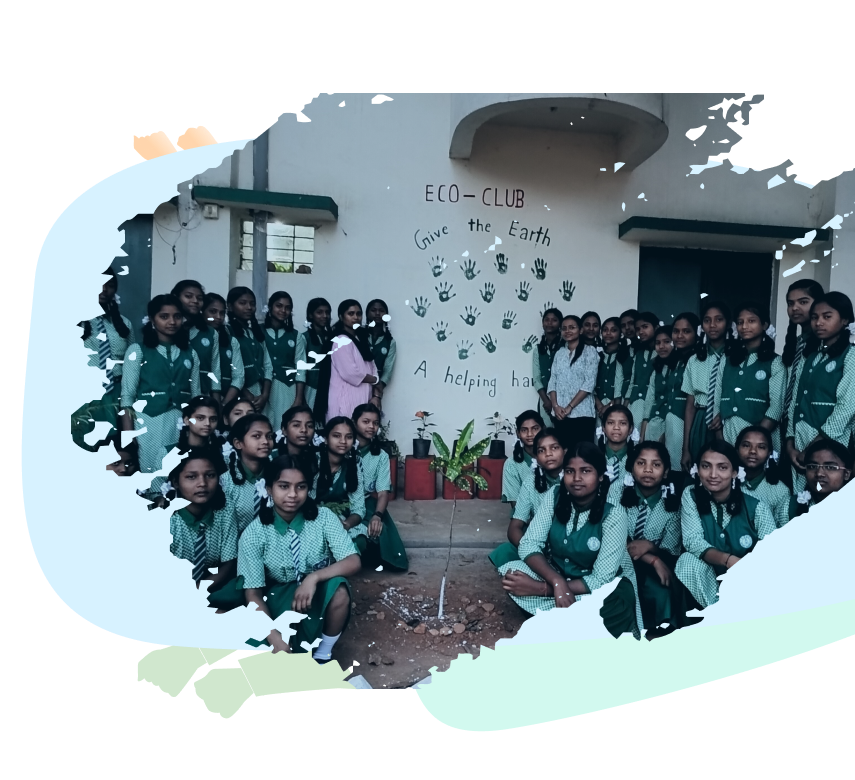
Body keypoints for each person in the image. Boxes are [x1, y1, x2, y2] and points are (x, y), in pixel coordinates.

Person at [498, 442, 643, 641]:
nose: (576, 478)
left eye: (586, 471)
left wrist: (541, 588)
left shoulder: (614, 514)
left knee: (609, 607)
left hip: (600, 589)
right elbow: (529, 543)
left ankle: (556, 623)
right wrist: (557, 581)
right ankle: (562, 622)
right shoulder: (554, 496)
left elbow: (601, 580)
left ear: (601, 476)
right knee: (513, 573)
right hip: (559, 575)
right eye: (569, 471)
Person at [237, 454, 361, 661]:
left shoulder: (324, 518)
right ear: (269, 489)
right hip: (277, 598)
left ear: (309, 489)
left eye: (301, 487)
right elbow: (253, 594)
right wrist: (274, 637)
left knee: (339, 589)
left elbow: (353, 561)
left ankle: (323, 653)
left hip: (315, 593)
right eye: (283, 486)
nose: (293, 494)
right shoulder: (254, 533)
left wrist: (313, 578)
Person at [608, 442, 698, 640]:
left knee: (661, 589)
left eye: (656, 465)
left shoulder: (672, 502)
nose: (648, 470)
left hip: (653, 568)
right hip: (617, 561)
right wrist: (652, 559)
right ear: (631, 468)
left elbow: (671, 549)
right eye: (641, 463)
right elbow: (614, 538)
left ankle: (659, 634)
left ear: (665, 472)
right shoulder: (617, 490)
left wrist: (650, 547)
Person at [675, 440, 776, 610]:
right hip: (708, 581)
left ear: (735, 472)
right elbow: (693, 541)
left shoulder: (756, 506)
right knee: (687, 561)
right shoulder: (691, 495)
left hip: (748, 581)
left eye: (722, 467)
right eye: (706, 466)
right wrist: (728, 560)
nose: (713, 474)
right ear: (698, 469)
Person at [118, 295, 201, 473]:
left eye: (177, 316)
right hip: (147, 421)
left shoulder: (191, 353)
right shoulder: (137, 350)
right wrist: (128, 433)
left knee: (178, 470)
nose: (172, 322)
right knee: (151, 471)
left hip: (181, 421)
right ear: (152, 319)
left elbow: (196, 397)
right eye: (164, 316)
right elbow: (127, 396)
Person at [786, 292, 855, 494]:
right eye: (815, 317)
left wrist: (813, 447)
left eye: (827, 316)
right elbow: (795, 400)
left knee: (828, 492)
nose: (819, 323)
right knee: (803, 496)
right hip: (800, 439)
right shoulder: (810, 356)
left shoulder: (851, 354)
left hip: (832, 440)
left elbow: (847, 406)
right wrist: (790, 443)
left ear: (844, 320)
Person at [164, 449, 241, 611]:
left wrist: (198, 591)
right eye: (191, 477)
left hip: (211, 586)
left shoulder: (225, 510)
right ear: (176, 482)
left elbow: (228, 563)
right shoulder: (166, 519)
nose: (202, 483)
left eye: (210, 475)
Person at [73, 267, 135, 453]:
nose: (104, 289)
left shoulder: (124, 323)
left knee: (112, 445)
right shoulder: (72, 320)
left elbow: (132, 363)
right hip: (83, 390)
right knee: (83, 440)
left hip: (116, 392)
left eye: (110, 285)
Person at [713, 301, 785, 452]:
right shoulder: (726, 360)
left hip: (761, 437)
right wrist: (719, 435)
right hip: (728, 433)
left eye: (751, 321)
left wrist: (755, 438)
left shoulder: (775, 362)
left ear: (764, 325)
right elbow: (717, 394)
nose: (744, 326)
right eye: (740, 322)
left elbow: (777, 405)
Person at [489, 427, 564, 569]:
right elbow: (514, 527)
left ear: (565, 450)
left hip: (570, 545)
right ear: (536, 457)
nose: (548, 454)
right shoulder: (531, 482)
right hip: (540, 544)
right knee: (505, 551)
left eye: (554, 448)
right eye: (541, 450)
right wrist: (532, 551)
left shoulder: (575, 480)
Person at [136, 396, 222, 509]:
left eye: (213, 419)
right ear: (186, 420)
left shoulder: (221, 453)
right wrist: (161, 500)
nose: (207, 423)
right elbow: (156, 488)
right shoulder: (168, 452)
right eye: (200, 418)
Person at [351, 403, 409, 571]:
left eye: (375, 423)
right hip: (341, 502)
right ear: (354, 422)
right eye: (366, 421)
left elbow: (383, 492)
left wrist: (377, 515)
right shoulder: (343, 448)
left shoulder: (380, 456)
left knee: (378, 532)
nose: (371, 426)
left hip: (366, 503)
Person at [780, 280, 824, 488]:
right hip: (790, 425)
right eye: (790, 303)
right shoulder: (797, 343)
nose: (795, 308)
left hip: (816, 426)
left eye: (803, 302)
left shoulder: (826, 346)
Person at [681, 300, 732, 472]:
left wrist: (724, 412)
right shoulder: (695, 360)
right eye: (707, 320)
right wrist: (685, 447)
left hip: (727, 421)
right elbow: (690, 404)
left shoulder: (736, 357)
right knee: (699, 469)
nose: (712, 325)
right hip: (700, 420)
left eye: (719, 319)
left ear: (728, 323)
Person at [548, 315, 599, 451]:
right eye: (564, 328)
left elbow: (589, 384)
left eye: (572, 327)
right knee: (563, 454)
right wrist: (555, 406)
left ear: (580, 330)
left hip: (582, 414)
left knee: (583, 455)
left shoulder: (590, 352)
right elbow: (552, 381)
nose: (567, 331)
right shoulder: (559, 353)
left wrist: (570, 407)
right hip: (560, 414)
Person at [325, 300, 381, 423]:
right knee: (344, 429)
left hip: (362, 398)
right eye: (351, 314)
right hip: (344, 400)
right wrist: (375, 380)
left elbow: (372, 367)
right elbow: (350, 373)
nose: (356, 317)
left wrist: (375, 392)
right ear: (341, 317)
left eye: (358, 314)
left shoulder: (361, 339)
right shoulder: (340, 340)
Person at [310, 417, 366, 536]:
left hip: (342, 521)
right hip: (313, 518)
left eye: (349, 437)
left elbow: (358, 508)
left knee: (360, 539)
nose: (343, 441)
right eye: (336, 436)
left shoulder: (353, 466)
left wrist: (346, 524)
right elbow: (306, 501)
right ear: (326, 439)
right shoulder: (313, 462)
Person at [220, 413, 275, 534]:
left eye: (269, 436)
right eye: (256, 436)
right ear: (238, 443)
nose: (265, 441)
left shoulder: (278, 475)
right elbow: (225, 528)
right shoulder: (225, 482)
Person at [172, 280, 221, 402]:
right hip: (171, 397)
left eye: (199, 298)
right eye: (188, 296)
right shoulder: (169, 329)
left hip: (202, 397)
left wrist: (216, 400)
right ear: (176, 297)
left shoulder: (210, 333)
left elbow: (215, 368)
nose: (195, 301)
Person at [225, 287, 272, 414]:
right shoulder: (227, 332)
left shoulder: (256, 333)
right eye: (242, 303)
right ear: (230, 307)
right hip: (237, 391)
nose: (249, 307)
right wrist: (248, 395)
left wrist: (265, 395)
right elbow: (228, 369)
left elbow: (268, 365)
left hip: (260, 392)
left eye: (252, 304)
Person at [664, 313, 700, 474]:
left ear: (697, 333)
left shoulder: (698, 361)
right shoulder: (675, 360)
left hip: (687, 424)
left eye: (686, 331)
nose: (679, 336)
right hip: (671, 424)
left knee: (684, 471)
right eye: (676, 331)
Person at [736, 426, 791, 529]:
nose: (753, 451)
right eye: (746, 445)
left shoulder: (780, 491)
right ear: (737, 449)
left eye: (761, 447)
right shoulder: (726, 483)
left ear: (769, 453)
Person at [263, 291, 300, 432]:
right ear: (270, 307)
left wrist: (298, 398)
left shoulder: (296, 335)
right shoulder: (257, 331)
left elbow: (301, 369)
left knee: (282, 427)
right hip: (262, 387)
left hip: (286, 388)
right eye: (279, 306)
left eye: (287, 307)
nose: (283, 310)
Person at [789, 438, 853, 517]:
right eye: (812, 466)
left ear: (846, 474)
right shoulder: (789, 507)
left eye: (830, 467)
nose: (819, 474)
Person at [202, 292, 244, 404]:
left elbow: (239, 376)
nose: (218, 317)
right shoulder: (194, 338)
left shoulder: (231, 341)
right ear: (202, 311)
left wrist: (224, 404)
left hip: (226, 399)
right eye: (213, 312)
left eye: (222, 313)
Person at [295, 297, 333, 420]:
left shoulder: (332, 338)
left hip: (330, 386)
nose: (325, 316)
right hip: (311, 387)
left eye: (327, 312)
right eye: (319, 312)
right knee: (312, 420)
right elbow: (301, 368)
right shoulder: (304, 337)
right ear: (311, 315)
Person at [501, 411, 545, 512]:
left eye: (535, 429)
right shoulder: (511, 464)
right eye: (524, 430)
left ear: (543, 429)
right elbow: (515, 504)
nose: (530, 434)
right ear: (518, 433)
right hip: (526, 516)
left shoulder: (552, 458)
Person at [597, 404, 637, 507]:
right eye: (610, 423)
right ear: (603, 428)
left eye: (622, 423)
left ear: (630, 429)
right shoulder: (593, 457)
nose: (616, 427)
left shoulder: (638, 459)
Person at [625, 311, 659, 428]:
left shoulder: (662, 353)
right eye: (638, 329)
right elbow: (633, 381)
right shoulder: (639, 353)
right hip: (635, 404)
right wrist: (625, 405)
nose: (641, 332)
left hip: (654, 406)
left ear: (656, 328)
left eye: (645, 327)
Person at [641, 325, 674, 443]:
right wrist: (642, 435)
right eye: (658, 343)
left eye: (667, 342)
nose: (661, 346)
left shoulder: (680, 368)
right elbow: (649, 400)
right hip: (653, 424)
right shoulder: (657, 370)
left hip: (672, 425)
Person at [595, 317, 632, 419]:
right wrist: (599, 405)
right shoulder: (596, 354)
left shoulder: (626, 355)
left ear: (621, 333)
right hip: (596, 406)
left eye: (613, 330)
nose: (608, 333)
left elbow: (627, 382)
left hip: (619, 404)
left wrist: (611, 404)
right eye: (605, 330)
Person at [365, 299, 396, 412]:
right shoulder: (359, 336)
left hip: (376, 387)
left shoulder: (390, 342)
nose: (377, 313)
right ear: (367, 314)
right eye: (373, 310)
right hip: (357, 384)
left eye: (381, 311)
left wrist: (377, 394)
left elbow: (387, 371)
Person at [533, 308, 564, 420]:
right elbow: (536, 379)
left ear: (560, 324)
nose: (550, 323)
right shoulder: (538, 349)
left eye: (554, 320)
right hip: (545, 400)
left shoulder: (565, 348)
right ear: (542, 323)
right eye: (547, 320)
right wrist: (546, 401)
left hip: (564, 398)